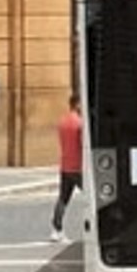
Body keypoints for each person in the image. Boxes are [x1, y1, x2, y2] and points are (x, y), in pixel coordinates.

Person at [49, 97, 85, 241]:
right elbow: (82, 144)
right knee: (93, 197)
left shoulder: (62, 122)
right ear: (77, 104)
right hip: (79, 167)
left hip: (65, 166)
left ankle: (56, 230)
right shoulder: (80, 123)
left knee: (63, 198)